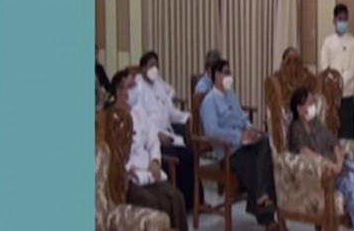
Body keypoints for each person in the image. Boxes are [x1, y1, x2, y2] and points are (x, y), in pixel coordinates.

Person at [200, 59, 278, 229]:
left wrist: (251, 130)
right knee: (256, 167)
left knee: (267, 145)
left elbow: (242, 117)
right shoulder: (209, 102)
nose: (229, 76)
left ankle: (260, 199)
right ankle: (267, 218)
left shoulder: (231, 96)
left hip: (245, 143)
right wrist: (239, 137)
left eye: (230, 72)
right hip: (229, 152)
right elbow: (212, 131)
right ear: (216, 75)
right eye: (226, 72)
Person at [288, 87, 354, 231]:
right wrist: (330, 165)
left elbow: (334, 142)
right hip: (323, 174)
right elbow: (304, 151)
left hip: (339, 167)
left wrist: (339, 161)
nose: (313, 106)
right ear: (299, 109)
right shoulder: (296, 128)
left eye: (313, 102)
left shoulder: (316, 123)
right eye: (310, 103)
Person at [112, 69, 188, 231]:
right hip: (131, 178)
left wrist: (154, 161)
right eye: (130, 86)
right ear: (119, 92)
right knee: (154, 204)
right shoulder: (112, 120)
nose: (135, 90)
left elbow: (153, 141)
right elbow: (113, 154)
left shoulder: (139, 113)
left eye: (134, 85)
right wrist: (130, 169)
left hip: (150, 172)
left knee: (177, 198)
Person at [133, 51, 203, 211]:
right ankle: (178, 202)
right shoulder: (138, 88)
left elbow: (170, 111)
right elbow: (142, 120)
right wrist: (158, 135)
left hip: (167, 133)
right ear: (142, 68)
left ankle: (193, 201)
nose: (155, 69)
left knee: (189, 154)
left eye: (156, 65)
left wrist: (187, 116)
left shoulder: (158, 85)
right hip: (152, 138)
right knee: (175, 155)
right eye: (151, 65)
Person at [320, 3, 354, 139]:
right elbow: (324, 66)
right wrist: (332, 84)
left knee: (347, 135)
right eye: (340, 19)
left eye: (345, 19)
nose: (343, 22)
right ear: (334, 20)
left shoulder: (353, 43)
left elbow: (353, 68)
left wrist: (340, 82)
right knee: (330, 135)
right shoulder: (328, 42)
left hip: (346, 95)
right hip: (330, 97)